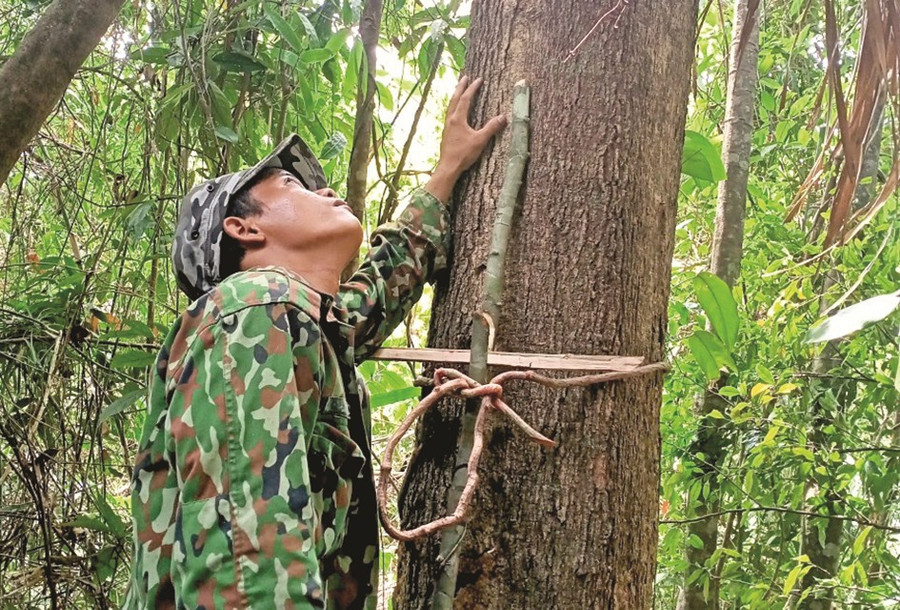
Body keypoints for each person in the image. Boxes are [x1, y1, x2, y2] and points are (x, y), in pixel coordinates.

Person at [125, 75, 506, 609]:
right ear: (244, 229)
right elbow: (247, 560)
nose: (325, 191)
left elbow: (371, 300)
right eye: (291, 187)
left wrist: (445, 173)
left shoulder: (296, 322)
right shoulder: (255, 307)